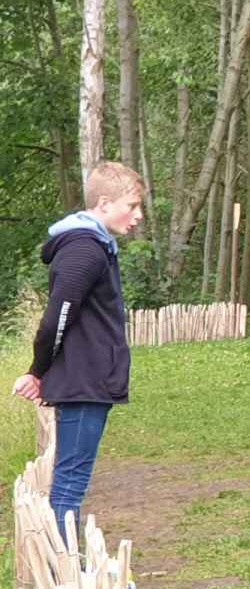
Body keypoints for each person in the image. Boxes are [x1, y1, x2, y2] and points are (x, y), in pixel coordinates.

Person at [13, 163, 144, 546]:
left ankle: (66, 571)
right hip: (84, 383)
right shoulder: (85, 250)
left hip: (89, 381)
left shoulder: (95, 246)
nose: (137, 216)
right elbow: (57, 317)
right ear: (104, 203)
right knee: (70, 484)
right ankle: (66, 576)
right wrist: (37, 371)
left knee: (71, 481)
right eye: (132, 205)